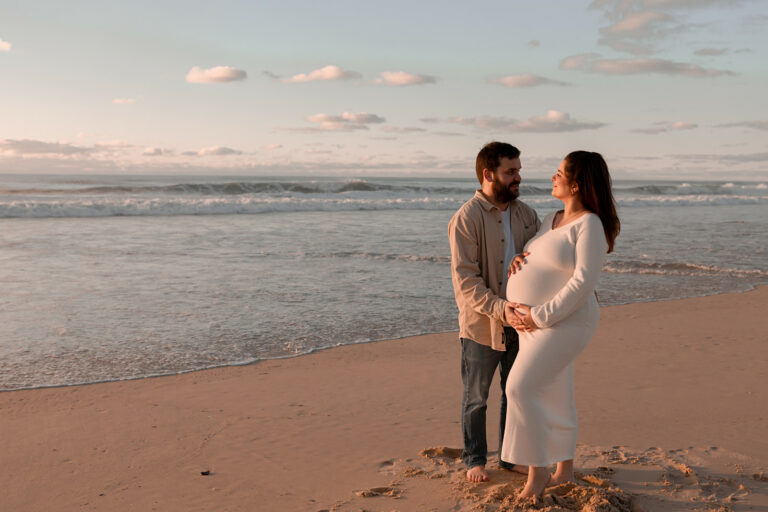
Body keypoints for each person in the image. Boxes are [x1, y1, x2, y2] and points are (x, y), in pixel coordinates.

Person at [500, 151, 620, 499]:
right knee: (555, 391)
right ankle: (564, 471)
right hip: (534, 322)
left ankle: (537, 473)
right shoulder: (551, 219)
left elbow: (583, 284)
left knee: (520, 389)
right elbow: (543, 258)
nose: (553, 178)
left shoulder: (590, 225)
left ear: (577, 183)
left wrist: (538, 315)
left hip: (565, 321)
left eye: (559, 173)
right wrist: (521, 258)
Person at [448, 142, 541, 483]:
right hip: (482, 325)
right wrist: (502, 309)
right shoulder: (465, 218)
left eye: (519, 169)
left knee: (515, 392)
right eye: (511, 171)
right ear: (489, 174)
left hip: (523, 322)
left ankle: (509, 457)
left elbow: (543, 260)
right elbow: (466, 281)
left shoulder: (527, 215)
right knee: (477, 397)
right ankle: (474, 459)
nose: (519, 177)